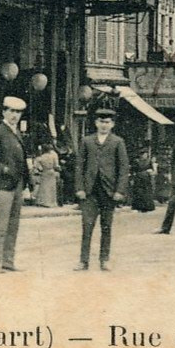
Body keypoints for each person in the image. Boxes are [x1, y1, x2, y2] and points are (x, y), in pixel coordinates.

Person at [75, 107, 131, 272]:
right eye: (101, 122)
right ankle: (83, 261)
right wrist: (79, 188)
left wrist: (120, 190)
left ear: (112, 124)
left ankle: (104, 259)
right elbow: (79, 166)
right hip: (89, 191)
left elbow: (123, 168)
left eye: (107, 122)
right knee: (87, 225)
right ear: (95, 123)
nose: (104, 125)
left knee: (106, 227)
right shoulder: (86, 141)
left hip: (109, 191)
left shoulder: (117, 142)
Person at [0, 96, 30, 273]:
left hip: (17, 185)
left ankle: (8, 261)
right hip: (2, 186)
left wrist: (27, 182)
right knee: (0, 225)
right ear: (4, 112)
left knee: (13, 225)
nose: (14, 115)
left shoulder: (16, 133)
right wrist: (2, 169)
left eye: (18, 112)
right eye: (11, 111)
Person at [31, 139, 61, 208]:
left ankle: (44, 202)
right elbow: (56, 165)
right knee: (52, 187)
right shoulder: (53, 156)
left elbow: (35, 166)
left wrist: (39, 169)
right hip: (51, 171)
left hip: (45, 172)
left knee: (44, 187)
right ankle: (52, 202)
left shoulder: (40, 157)